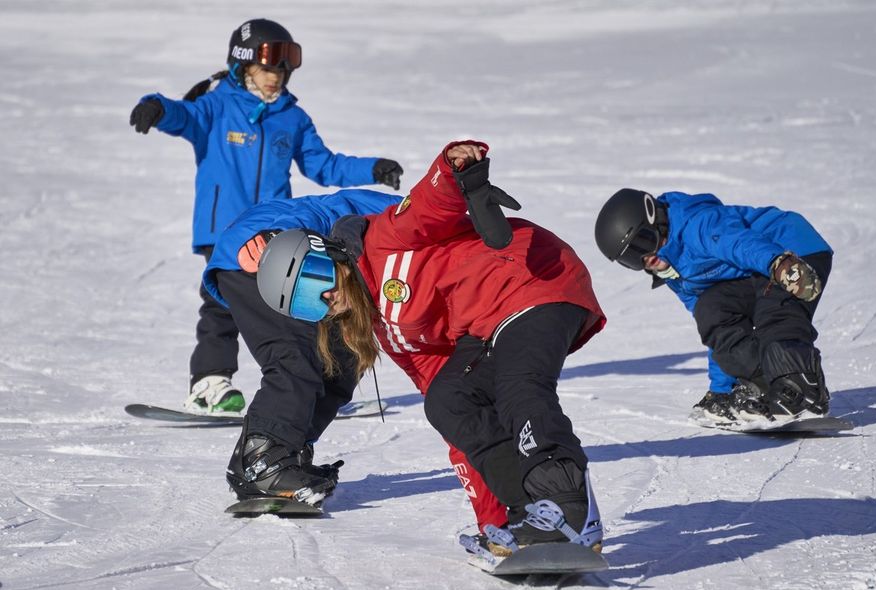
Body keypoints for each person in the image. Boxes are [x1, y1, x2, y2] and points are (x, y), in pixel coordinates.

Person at [250, 140, 607, 554]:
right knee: (450, 401)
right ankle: (527, 514)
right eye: (307, 306)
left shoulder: (381, 240)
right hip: (488, 325)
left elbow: (429, 205)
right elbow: (457, 425)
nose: (325, 300)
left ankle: (567, 508)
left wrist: (452, 165)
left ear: (328, 256)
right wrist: (493, 525)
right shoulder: (390, 331)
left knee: (519, 389)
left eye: (316, 280)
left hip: (533, 278)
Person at [129, 18, 404, 414]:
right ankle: (210, 383)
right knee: (222, 303)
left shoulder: (291, 117)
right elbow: (183, 116)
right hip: (224, 229)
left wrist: (372, 168)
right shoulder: (216, 106)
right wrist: (158, 107)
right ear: (242, 66)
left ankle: (321, 377)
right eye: (265, 69)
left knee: (303, 299)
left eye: (281, 70)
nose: (274, 78)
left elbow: (323, 165)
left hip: (282, 231)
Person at [202, 188, 401, 502]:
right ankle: (262, 459)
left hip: (319, 276)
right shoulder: (402, 212)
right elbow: (324, 210)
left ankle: (287, 452)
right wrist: (280, 234)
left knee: (347, 360)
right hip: (262, 253)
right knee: (294, 354)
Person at [594, 188, 833, 423]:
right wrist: (722, 390)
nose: (646, 257)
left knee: (775, 310)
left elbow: (740, 244)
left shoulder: (698, 224)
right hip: (755, 273)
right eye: (632, 258)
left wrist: (778, 264)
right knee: (710, 310)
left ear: (656, 218)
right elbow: (718, 329)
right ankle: (763, 385)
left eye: (643, 241)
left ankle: (802, 390)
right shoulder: (672, 272)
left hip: (789, 251)